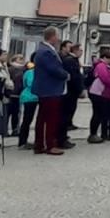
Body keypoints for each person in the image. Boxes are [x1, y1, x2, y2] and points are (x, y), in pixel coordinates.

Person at [31, 28, 69, 156]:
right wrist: (66, 75)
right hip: (49, 89)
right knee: (50, 118)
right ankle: (50, 145)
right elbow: (54, 69)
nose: (58, 39)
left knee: (43, 118)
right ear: (52, 36)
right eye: (57, 36)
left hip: (47, 89)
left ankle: (40, 144)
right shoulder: (46, 52)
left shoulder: (44, 50)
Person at [87, 49, 110, 143]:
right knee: (97, 114)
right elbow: (105, 78)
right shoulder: (101, 66)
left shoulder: (106, 66)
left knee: (100, 114)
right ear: (104, 58)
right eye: (109, 58)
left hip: (104, 93)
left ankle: (97, 134)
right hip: (98, 92)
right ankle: (93, 134)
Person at [58, 42, 83, 150]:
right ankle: (61, 139)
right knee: (65, 116)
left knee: (68, 115)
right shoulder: (69, 61)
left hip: (73, 92)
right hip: (69, 92)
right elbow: (74, 77)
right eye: (81, 50)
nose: (82, 52)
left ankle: (64, 137)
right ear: (76, 50)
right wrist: (80, 89)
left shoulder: (74, 60)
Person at [16, 62, 38, 148]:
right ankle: (23, 142)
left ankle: (23, 141)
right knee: (27, 119)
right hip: (31, 97)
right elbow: (30, 83)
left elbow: (24, 83)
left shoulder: (27, 72)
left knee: (27, 119)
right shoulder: (32, 72)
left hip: (27, 95)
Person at [5, 54, 26, 137]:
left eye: (22, 58)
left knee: (16, 113)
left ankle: (15, 129)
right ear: (14, 60)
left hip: (19, 94)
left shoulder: (24, 69)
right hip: (11, 93)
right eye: (20, 58)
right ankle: (5, 130)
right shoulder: (10, 69)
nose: (22, 60)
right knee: (8, 113)